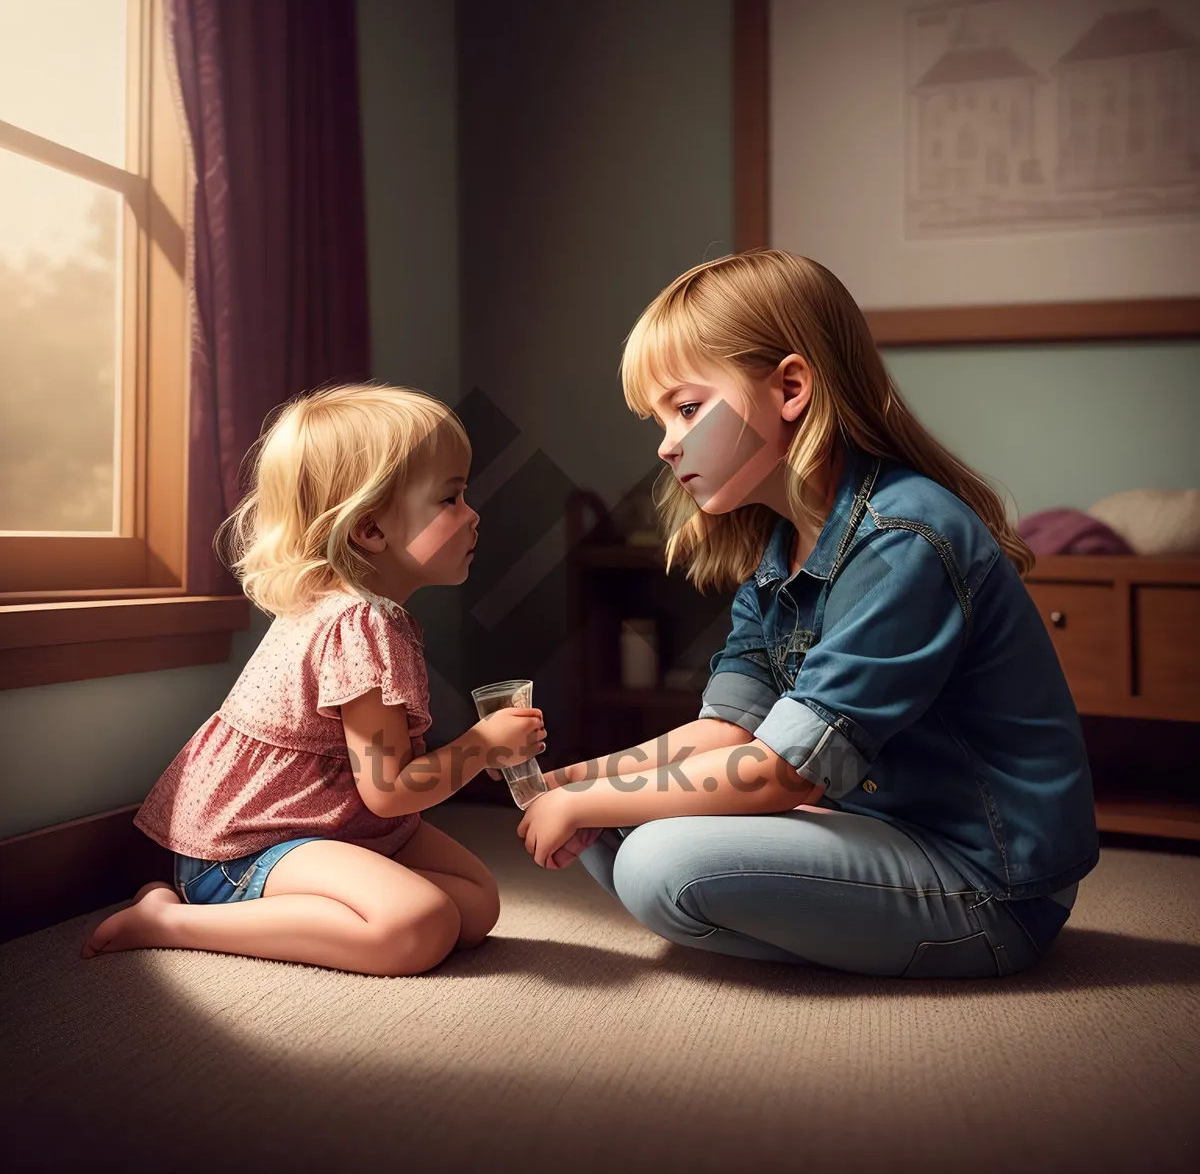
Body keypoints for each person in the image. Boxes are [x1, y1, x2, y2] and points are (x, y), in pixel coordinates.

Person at [519, 249, 1099, 978]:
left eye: (687, 408)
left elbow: (784, 774)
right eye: (658, 420)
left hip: (986, 884)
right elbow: (727, 729)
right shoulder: (782, 546)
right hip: (873, 830)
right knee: (610, 822)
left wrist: (595, 801)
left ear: (791, 387)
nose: (666, 444)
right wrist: (580, 781)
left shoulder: (903, 539)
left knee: (658, 858)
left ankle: (895, 934)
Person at [81, 383, 548, 976]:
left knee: (475, 907)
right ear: (371, 529)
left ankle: (313, 901)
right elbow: (390, 788)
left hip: (325, 821)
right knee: (418, 926)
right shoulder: (360, 623)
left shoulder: (355, 609)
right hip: (244, 847)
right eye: (451, 498)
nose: (473, 513)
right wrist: (482, 747)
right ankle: (169, 920)